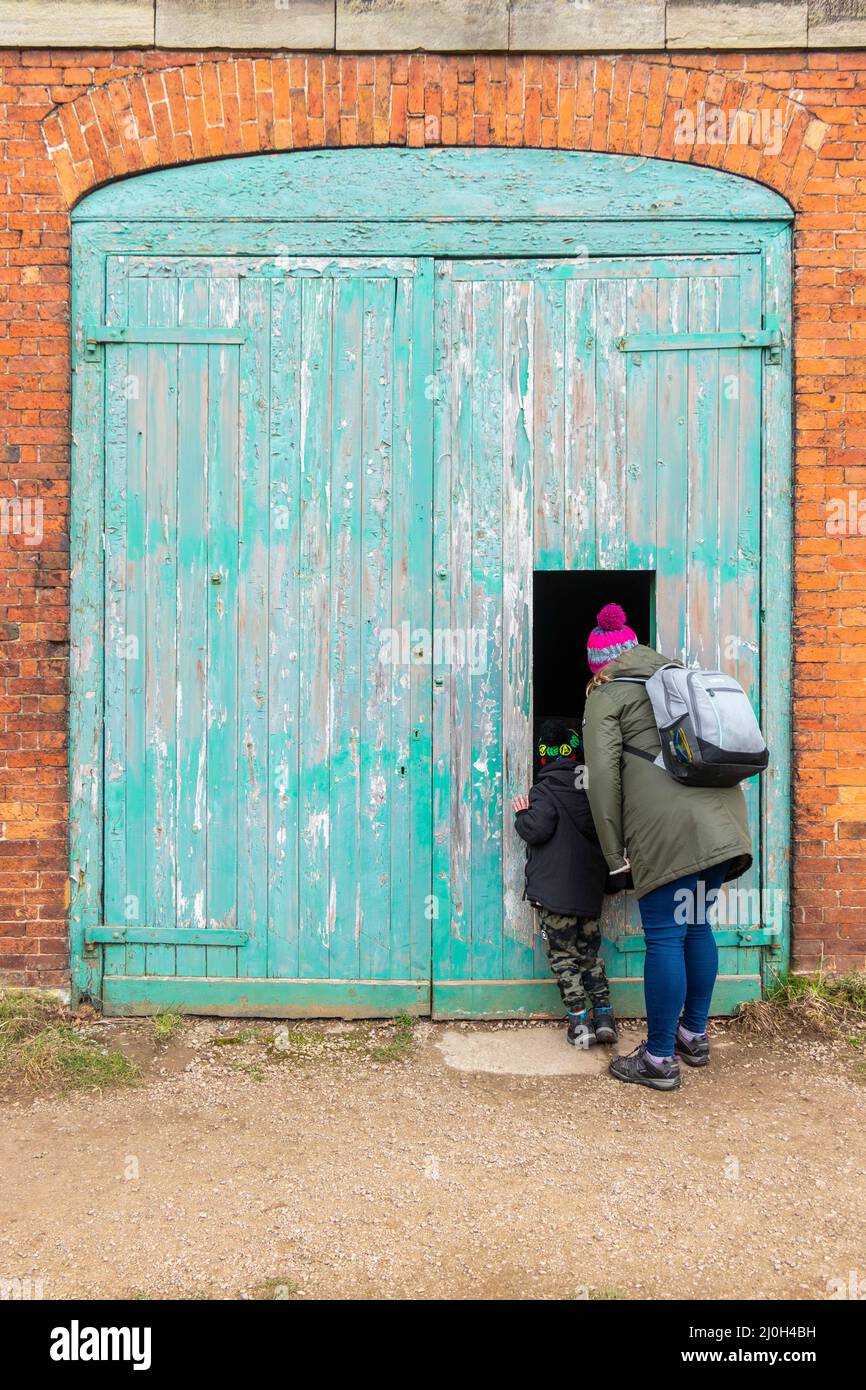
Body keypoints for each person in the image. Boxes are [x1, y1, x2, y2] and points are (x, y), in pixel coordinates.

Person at [582, 604, 753, 1091]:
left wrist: (615, 857)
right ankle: (692, 1035)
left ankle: (658, 1060)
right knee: (697, 925)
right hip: (723, 823)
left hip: (670, 833)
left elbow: (599, 780)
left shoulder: (607, 695)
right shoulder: (677, 679)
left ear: (600, 664)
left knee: (664, 936)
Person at [513, 718, 616, 1047]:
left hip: (555, 898)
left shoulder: (542, 790)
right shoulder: (591, 791)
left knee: (564, 958)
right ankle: (604, 1017)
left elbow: (537, 830)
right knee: (590, 956)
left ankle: (578, 1025)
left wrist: (522, 815)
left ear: (543, 756)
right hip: (587, 894)